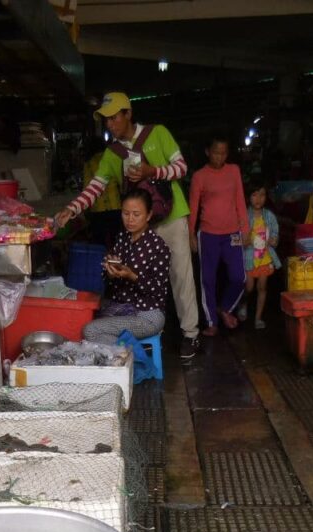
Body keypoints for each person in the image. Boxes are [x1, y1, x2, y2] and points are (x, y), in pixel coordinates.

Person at [54, 92, 201, 360]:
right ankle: (151, 326)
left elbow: (181, 168)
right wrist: (72, 208)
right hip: (141, 225)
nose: (110, 124)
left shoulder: (158, 133)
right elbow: (95, 188)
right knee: (136, 276)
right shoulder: (112, 153)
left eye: (114, 118)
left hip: (172, 217)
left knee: (180, 276)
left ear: (128, 114)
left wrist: (152, 171)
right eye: (106, 120)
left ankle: (190, 334)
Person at [82, 189, 170, 346]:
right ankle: (128, 359)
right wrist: (111, 272)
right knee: (83, 322)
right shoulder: (123, 238)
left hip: (147, 315)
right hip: (122, 307)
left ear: (149, 215)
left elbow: (159, 291)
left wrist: (132, 276)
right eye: (125, 213)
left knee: (90, 331)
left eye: (136, 214)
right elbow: (109, 279)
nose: (130, 219)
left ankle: (134, 360)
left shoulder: (158, 246)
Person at [187, 136, 249, 336]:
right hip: (208, 234)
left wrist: (245, 229)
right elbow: (193, 208)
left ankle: (224, 308)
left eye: (223, 153)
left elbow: (240, 200)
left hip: (233, 233)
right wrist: (191, 235)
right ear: (207, 152)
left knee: (239, 277)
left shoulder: (234, 171)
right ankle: (211, 321)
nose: (219, 157)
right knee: (208, 280)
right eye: (216, 152)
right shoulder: (199, 176)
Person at [242, 179, 280, 330]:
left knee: (262, 287)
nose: (258, 199)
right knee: (249, 287)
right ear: (248, 197)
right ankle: (242, 305)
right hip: (249, 258)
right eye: (254, 195)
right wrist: (244, 240)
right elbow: (238, 239)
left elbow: (276, 238)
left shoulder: (270, 216)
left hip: (265, 258)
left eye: (262, 195)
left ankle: (258, 318)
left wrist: (273, 240)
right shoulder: (244, 216)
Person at [82, 137, 122, 248]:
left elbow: (87, 187)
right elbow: (121, 181)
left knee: (99, 243)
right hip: (115, 206)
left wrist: (86, 210)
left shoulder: (89, 163)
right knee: (117, 241)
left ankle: (100, 263)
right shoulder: (111, 159)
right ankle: (117, 264)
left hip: (97, 209)